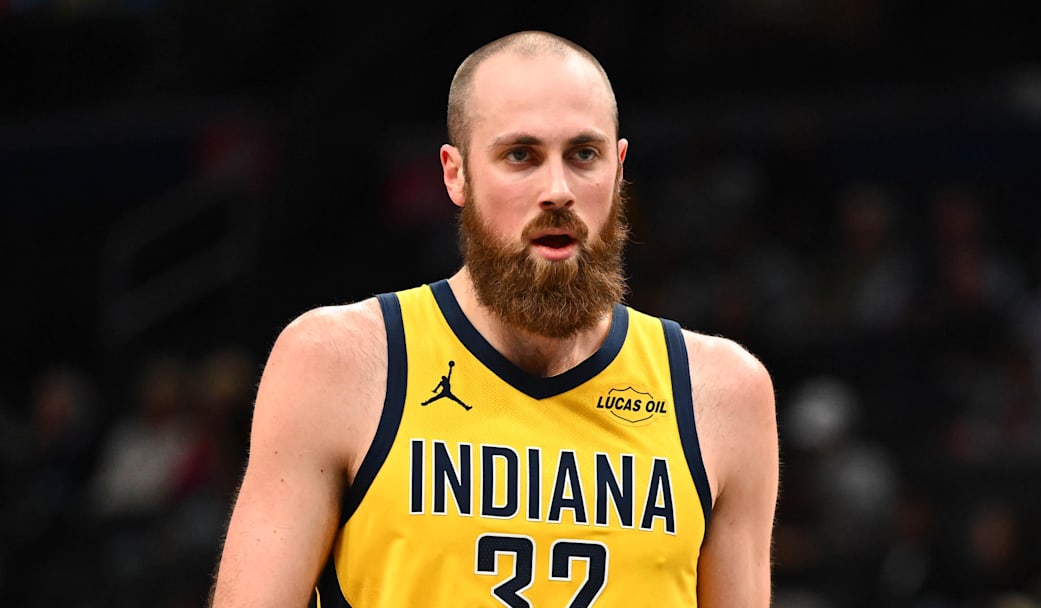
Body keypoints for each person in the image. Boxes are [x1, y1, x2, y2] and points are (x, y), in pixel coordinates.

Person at [210, 30, 779, 607]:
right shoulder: (338, 362)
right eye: (520, 156)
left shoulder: (724, 394)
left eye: (584, 154)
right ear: (456, 174)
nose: (557, 189)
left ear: (619, 167)